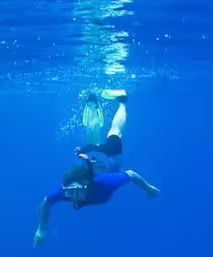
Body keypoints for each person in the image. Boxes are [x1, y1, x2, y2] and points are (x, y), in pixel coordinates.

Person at [33, 90, 159, 247]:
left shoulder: (105, 183)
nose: (73, 196)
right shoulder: (68, 191)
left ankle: (122, 101)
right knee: (101, 139)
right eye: (70, 193)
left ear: (86, 186)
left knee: (116, 131)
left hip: (110, 157)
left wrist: (148, 188)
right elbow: (47, 201)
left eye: (75, 192)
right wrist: (42, 229)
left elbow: (131, 175)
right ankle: (96, 110)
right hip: (97, 159)